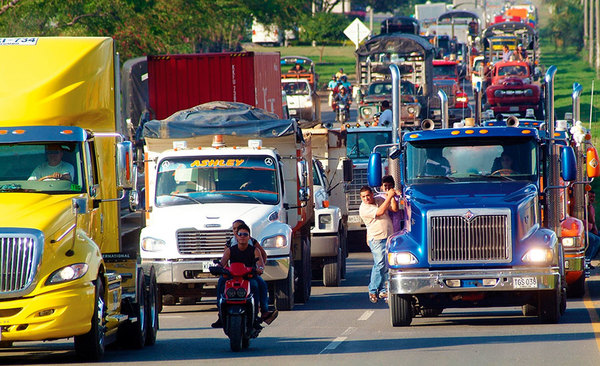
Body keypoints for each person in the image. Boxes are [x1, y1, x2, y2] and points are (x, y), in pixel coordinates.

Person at [213, 223, 278, 326]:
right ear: (236, 236)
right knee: (221, 282)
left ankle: (259, 314)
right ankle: (221, 314)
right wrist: (218, 268)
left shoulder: (255, 250)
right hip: (232, 276)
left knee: (258, 285)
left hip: (249, 276)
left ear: (249, 237)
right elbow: (222, 262)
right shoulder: (230, 249)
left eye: (245, 234)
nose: (242, 236)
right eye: (240, 234)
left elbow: (260, 262)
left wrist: (259, 268)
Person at [359, 186, 395, 303]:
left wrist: (392, 195)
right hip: (377, 239)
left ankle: (384, 290)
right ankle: (372, 289)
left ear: (372, 195)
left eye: (368, 195)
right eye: (363, 197)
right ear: (361, 198)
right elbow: (380, 212)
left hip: (389, 237)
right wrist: (389, 196)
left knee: (387, 264)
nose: (366, 198)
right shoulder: (364, 208)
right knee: (379, 263)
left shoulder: (380, 200)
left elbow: (394, 208)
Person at [585, 191, 600, 267]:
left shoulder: (591, 207)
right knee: (592, 238)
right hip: (584, 231)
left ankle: (590, 258)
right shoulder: (583, 207)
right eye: (590, 197)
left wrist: (595, 230)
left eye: (593, 197)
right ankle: (587, 260)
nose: (592, 199)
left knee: (597, 238)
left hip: (590, 229)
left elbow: (593, 222)